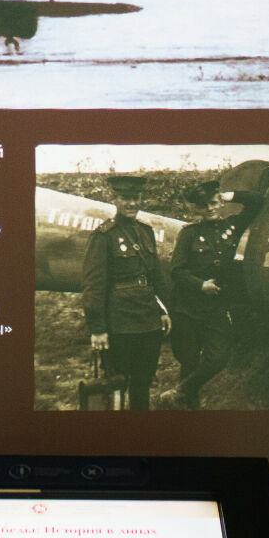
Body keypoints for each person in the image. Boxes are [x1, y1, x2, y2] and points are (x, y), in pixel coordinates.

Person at [81, 173, 172, 410]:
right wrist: (98, 328)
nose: (131, 203)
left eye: (136, 198)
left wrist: (163, 310)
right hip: (119, 323)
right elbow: (94, 285)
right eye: (125, 198)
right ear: (115, 199)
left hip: (148, 321)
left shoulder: (145, 231)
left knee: (143, 382)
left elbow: (156, 277)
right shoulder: (104, 236)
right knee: (116, 384)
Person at [165, 182, 254, 409]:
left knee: (219, 357)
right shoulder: (189, 234)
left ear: (220, 203)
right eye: (204, 205)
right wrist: (200, 285)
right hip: (188, 307)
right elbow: (176, 270)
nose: (210, 208)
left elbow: (258, 202)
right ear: (197, 209)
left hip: (216, 306)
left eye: (214, 203)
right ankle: (187, 407)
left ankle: (181, 391)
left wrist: (230, 194)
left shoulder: (232, 226)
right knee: (190, 360)